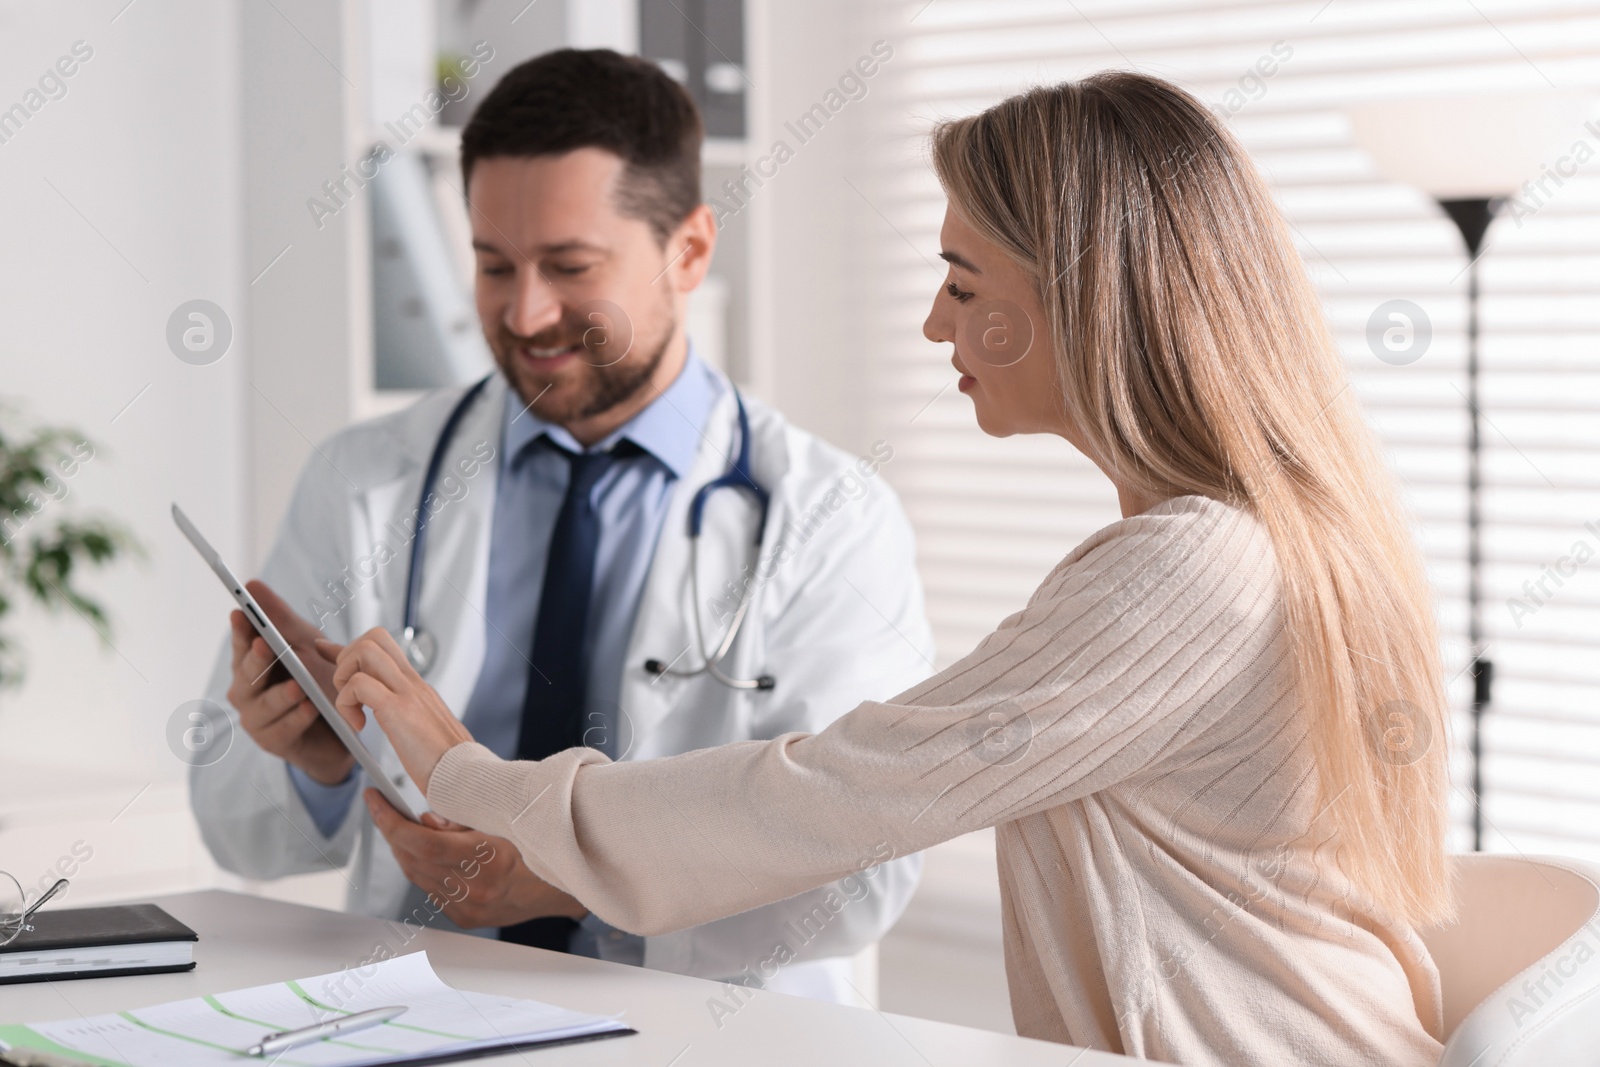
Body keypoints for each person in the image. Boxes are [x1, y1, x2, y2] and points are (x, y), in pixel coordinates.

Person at [324, 71, 1458, 1066]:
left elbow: (832, 795)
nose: (929, 323)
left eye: (963, 286)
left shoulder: (1191, 571)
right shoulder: (1243, 540)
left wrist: (467, 769)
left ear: (1083, 300)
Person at [190, 48, 931, 1002]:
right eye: (494, 265)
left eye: (570, 267)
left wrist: (568, 879)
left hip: (695, 1028)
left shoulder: (828, 515)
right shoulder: (365, 476)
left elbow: (862, 869)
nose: (527, 312)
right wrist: (319, 759)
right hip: (419, 1013)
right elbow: (230, 826)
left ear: (690, 251)